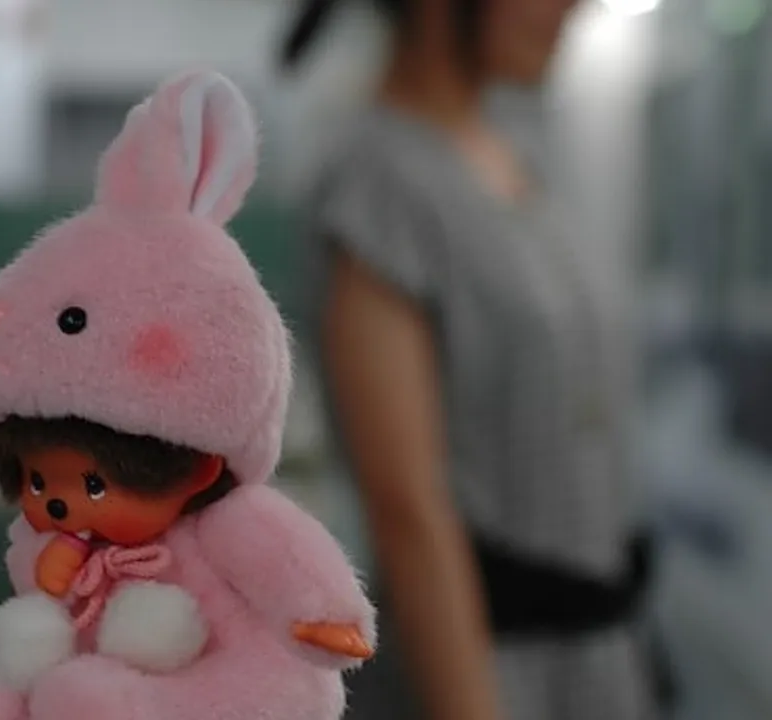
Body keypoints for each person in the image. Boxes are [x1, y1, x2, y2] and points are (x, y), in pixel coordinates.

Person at [280, 1, 657, 719]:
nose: (575, 9)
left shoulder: (514, 158)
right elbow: (409, 516)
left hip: (602, 664)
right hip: (488, 675)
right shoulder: (377, 184)